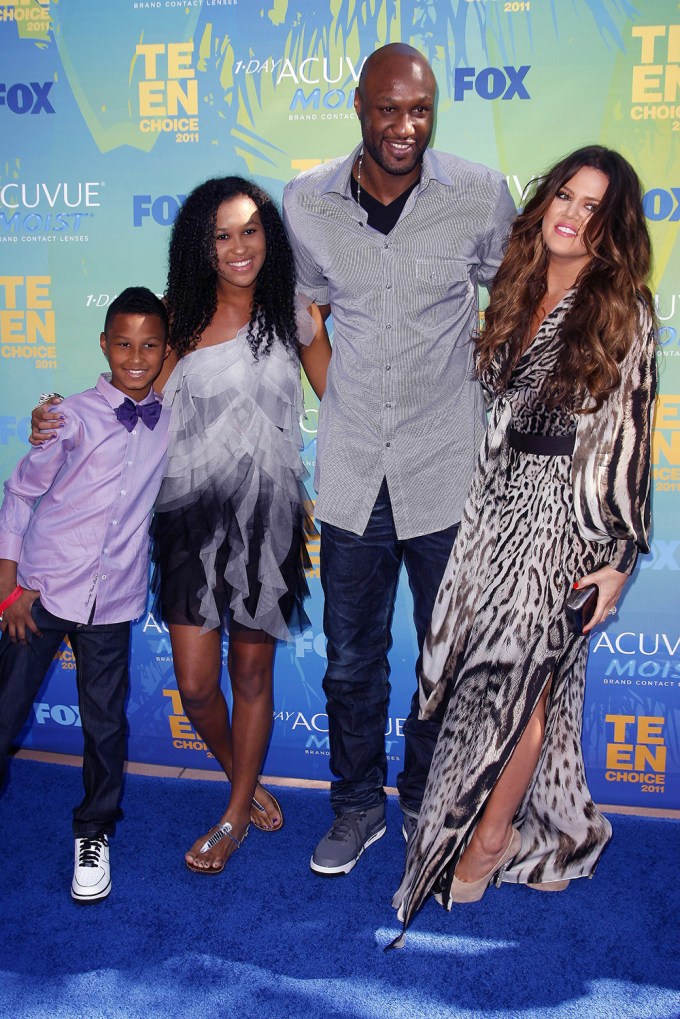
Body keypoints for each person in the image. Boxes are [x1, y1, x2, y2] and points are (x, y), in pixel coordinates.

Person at [391, 146, 657, 937]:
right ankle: (528, 826)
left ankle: (489, 840)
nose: (571, 213)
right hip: (494, 511)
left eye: (592, 206)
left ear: (612, 227)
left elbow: (632, 442)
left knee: (520, 686)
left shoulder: (624, 309)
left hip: (561, 521)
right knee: (491, 680)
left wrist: (616, 559)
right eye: (564, 196)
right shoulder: (518, 289)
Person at [33, 177, 331, 874]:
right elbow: (122, 396)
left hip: (268, 520)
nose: (238, 247)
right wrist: (57, 413)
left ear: (270, 237)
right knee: (197, 683)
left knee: (251, 672)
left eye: (251, 230)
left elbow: (344, 400)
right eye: (222, 235)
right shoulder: (180, 317)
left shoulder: (295, 311)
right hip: (188, 522)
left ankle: (231, 816)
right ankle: (244, 780)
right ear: (201, 244)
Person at [282, 42, 517, 876]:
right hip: (351, 474)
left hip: (446, 469)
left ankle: (424, 796)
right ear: (358, 106)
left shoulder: (480, 195)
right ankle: (355, 806)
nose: (404, 127)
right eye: (388, 109)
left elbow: (514, 296)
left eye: (419, 110)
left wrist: (484, 380)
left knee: (441, 654)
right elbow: (306, 308)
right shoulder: (306, 201)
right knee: (351, 660)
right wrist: (336, 392)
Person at [0, 287, 170, 903]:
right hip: (40, 592)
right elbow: (20, 495)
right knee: (4, 712)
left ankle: (94, 831)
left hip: (115, 600)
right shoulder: (68, 415)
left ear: (164, 350)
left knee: (105, 727)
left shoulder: (170, 420)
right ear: (104, 344)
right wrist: (8, 591)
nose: (135, 356)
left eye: (149, 345)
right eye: (123, 343)